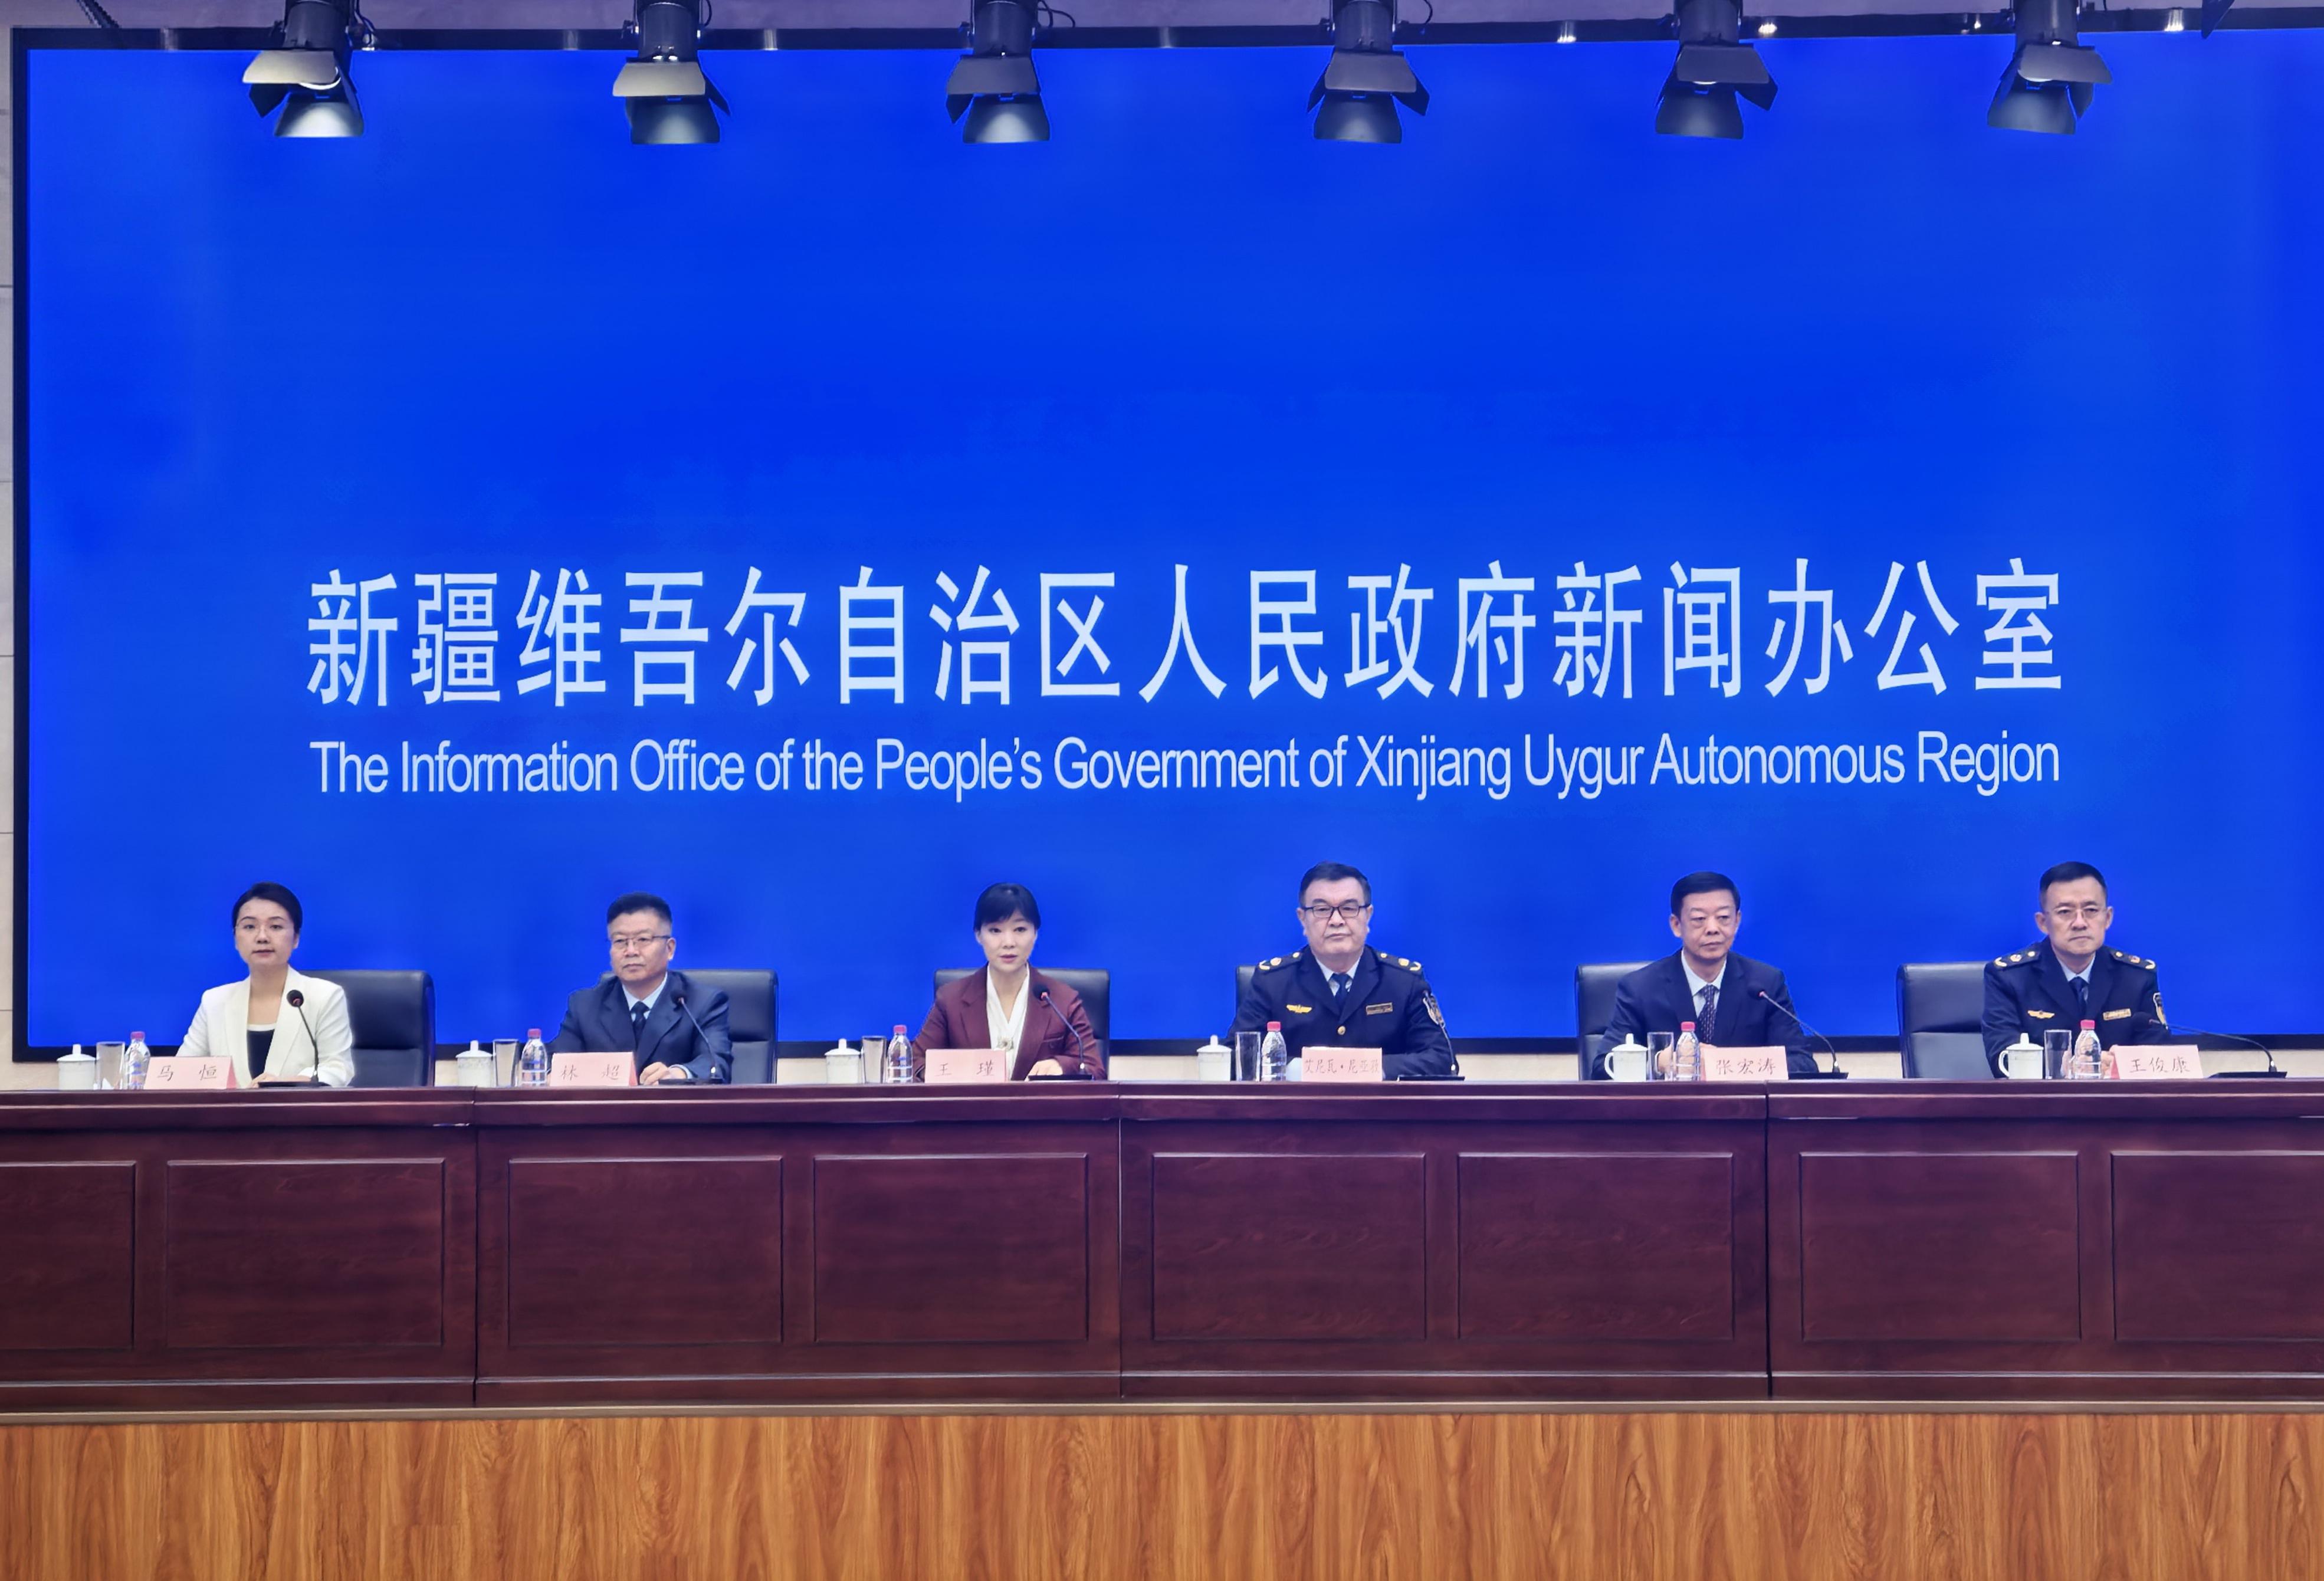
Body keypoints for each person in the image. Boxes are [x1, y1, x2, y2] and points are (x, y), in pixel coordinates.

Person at [1233, 861, 1455, 1078]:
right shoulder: (1272, 982)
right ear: (1303, 919)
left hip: (1381, 1104)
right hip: (1298, 1104)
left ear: (1368, 915)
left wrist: (1368, 1069)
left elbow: (1442, 1060)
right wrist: (1292, 1069)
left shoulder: (1404, 981)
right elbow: (1235, 1058)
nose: (1337, 920)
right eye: (1322, 910)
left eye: (1349, 909)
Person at [1600, 871, 1816, 1077]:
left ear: (1737, 921)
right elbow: (1602, 1068)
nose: (1713, 928)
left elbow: (1802, 1064)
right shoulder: (1640, 988)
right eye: (1699, 919)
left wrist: (1723, 1063)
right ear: (1677, 925)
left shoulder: (1765, 984)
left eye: (1723, 917)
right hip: (1669, 1105)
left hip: (1741, 1104)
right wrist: (1657, 1062)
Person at [1982, 860, 2164, 1074]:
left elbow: (2160, 1058)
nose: (2080, 923)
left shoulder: (2137, 977)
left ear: (2107, 918)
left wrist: (2121, 1065)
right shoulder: (2009, 977)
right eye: (2065, 912)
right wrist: (2068, 1068)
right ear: (2043, 923)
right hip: (2044, 1096)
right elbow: (2003, 1059)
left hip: (2118, 1095)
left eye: (2091, 910)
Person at [915, 883, 1104, 1080]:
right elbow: (915, 1063)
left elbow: (1095, 1070)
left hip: (1039, 1101)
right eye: (995, 931)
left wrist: (1061, 1065)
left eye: (1020, 929)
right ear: (978, 935)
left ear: (1035, 933)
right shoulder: (951, 1000)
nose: (1008, 943)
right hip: (972, 1101)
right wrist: (949, 1073)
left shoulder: (1063, 1000)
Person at [178, 881, 354, 1087]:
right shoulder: (214, 1001)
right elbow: (182, 1073)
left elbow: (338, 1068)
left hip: (298, 1108)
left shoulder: (324, 996)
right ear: (235, 939)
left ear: (296, 938)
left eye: (276, 927)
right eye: (250, 927)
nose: (262, 937)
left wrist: (287, 1085)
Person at [550, 892, 731, 1084]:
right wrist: (548, 1074)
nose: (631, 951)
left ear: (670, 949)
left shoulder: (702, 1003)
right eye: (620, 941)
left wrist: (677, 1075)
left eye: (643, 940)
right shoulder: (585, 1005)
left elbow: (716, 1064)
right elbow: (559, 1063)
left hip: (673, 1104)